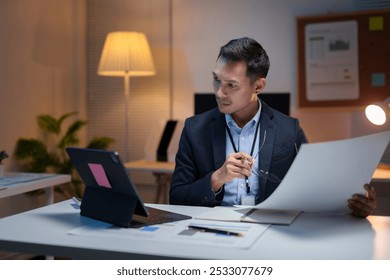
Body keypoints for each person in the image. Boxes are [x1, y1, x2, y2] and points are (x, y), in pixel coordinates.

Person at [169, 37, 376, 218]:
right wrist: (218, 178)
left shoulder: (289, 129)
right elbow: (176, 197)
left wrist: (354, 207)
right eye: (216, 80)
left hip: (270, 230)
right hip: (211, 229)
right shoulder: (194, 129)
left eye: (231, 85)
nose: (219, 93)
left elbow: (314, 190)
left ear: (258, 86)